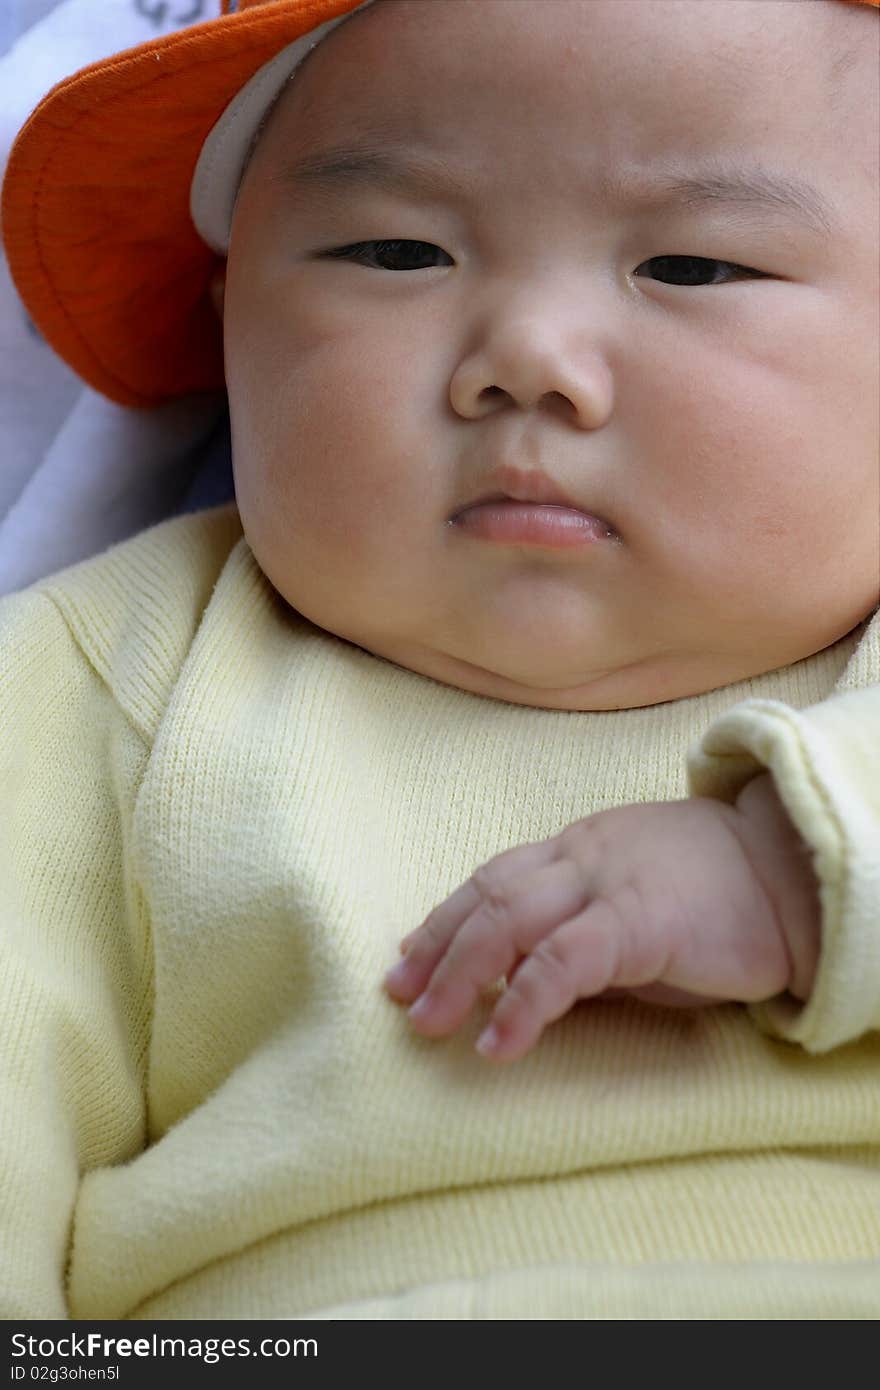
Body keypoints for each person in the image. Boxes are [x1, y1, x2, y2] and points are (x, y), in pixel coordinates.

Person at [1, 0, 878, 1321]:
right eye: (395, 251)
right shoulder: (99, 674)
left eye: (693, 267)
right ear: (232, 320)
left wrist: (809, 864)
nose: (527, 359)